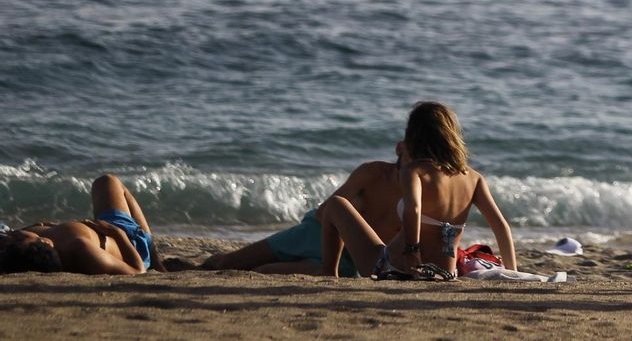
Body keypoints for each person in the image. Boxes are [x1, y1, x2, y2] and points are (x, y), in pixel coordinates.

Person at [320, 101, 517, 280]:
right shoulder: (474, 178)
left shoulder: (415, 171)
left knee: (336, 204)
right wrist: (512, 272)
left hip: (395, 267)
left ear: (414, 135)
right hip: (446, 273)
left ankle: (329, 276)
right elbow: (501, 227)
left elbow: (413, 209)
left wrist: (412, 252)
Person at [200, 146, 406, 276]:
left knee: (259, 272)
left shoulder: (425, 198)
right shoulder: (373, 173)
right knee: (231, 262)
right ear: (400, 148)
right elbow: (324, 212)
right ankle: (180, 268)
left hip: (346, 265)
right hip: (313, 234)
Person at [0, 173, 167, 275]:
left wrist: (46, 227)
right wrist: (117, 233)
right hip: (130, 242)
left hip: (102, 229)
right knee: (107, 181)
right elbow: (137, 271)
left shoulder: (31, 245)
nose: (13, 235)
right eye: (17, 239)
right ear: (45, 243)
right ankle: (154, 257)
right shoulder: (80, 248)